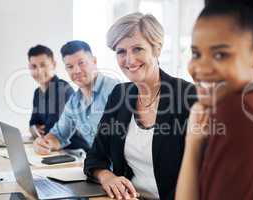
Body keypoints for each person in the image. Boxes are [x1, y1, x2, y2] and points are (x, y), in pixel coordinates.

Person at [176, 0, 253, 199]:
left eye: (220, 55)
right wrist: (193, 141)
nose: (200, 68)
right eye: (196, 53)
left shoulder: (236, 113)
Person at [84, 13, 197, 200]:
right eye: (121, 52)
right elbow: (95, 157)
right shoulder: (120, 94)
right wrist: (107, 177)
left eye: (137, 49)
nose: (129, 60)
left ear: (157, 49)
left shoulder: (188, 96)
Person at [33, 40, 119, 154]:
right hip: (98, 166)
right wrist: (42, 143)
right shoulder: (74, 102)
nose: (76, 71)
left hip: (123, 169)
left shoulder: (115, 89)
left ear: (94, 61)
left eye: (81, 63)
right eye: (70, 66)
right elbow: (57, 136)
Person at [28, 45, 74, 138]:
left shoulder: (62, 89)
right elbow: (33, 123)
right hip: (50, 146)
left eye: (43, 65)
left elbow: (53, 129)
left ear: (53, 65)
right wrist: (34, 128)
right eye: (34, 66)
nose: (39, 71)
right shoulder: (38, 93)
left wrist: (37, 129)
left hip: (71, 149)